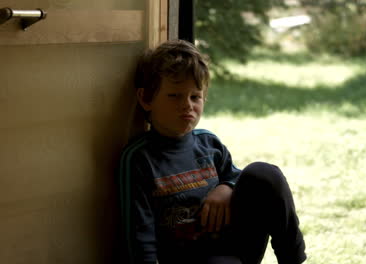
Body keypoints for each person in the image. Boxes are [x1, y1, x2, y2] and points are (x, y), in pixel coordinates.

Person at [118, 39, 306, 264]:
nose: (187, 105)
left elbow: (235, 176)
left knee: (264, 173)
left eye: (195, 96)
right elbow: (139, 234)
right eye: (174, 95)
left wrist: (226, 187)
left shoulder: (209, 144)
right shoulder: (139, 158)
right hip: (191, 258)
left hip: (235, 245)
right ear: (146, 99)